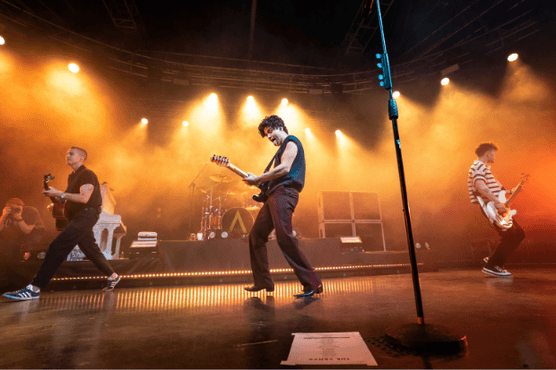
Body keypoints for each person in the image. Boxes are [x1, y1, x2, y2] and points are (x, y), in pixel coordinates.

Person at [3, 147, 120, 300]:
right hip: (77, 216)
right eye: (67, 153)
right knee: (90, 249)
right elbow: (69, 198)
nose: (67, 155)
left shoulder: (87, 174)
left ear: (81, 158)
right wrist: (57, 202)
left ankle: (34, 288)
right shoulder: (72, 177)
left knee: (57, 246)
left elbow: (84, 198)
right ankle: (113, 276)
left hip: (86, 215)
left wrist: (59, 194)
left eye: (71, 154)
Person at [243, 115, 322, 298]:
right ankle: (263, 281)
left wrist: (258, 178)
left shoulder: (291, 141)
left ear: (278, 126)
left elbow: (285, 168)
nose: (269, 138)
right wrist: (260, 185)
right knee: (256, 236)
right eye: (267, 135)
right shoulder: (279, 151)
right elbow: (276, 175)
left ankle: (312, 282)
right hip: (273, 195)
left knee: (284, 236)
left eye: (270, 132)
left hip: (284, 193)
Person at [468, 142, 525, 277]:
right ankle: (492, 265)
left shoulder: (485, 169)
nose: (494, 156)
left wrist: (515, 190)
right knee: (510, 236)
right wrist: (496, 202)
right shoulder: (477, 167)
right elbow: (481, 187)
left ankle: (494, 259)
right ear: (487, 153)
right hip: (491, 206)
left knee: (519, 234)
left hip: (496, 206)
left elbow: (501, 192)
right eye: (493, 153)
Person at [0, 198, 46, 283]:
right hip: (17, 232)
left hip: (35, 232)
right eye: (13, 209)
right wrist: (3, 216)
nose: (16, 211)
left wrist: (18, 218)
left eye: (18, 209)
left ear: (22, 207)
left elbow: (27, 231)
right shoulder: (5, 212)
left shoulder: (30, 211)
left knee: (27, 249)